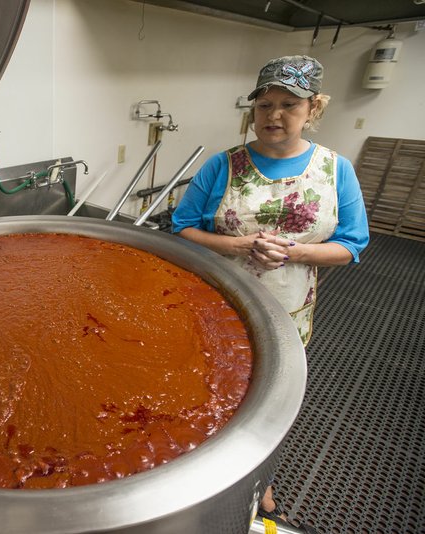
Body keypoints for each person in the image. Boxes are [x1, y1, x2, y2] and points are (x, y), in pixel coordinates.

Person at [171, 55, 369, 530]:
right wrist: (239, 244)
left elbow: (352, 246)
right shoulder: (223, 166)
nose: (274, 116)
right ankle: (195, 463)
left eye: (289, 105)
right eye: (264, 105)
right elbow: (181, 230)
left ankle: (260, 477)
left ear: (313, 108)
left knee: (270, 400)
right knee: (212, 388)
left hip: (287, 309)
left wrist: (295, 253)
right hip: (218, 306)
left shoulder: (334, 169)